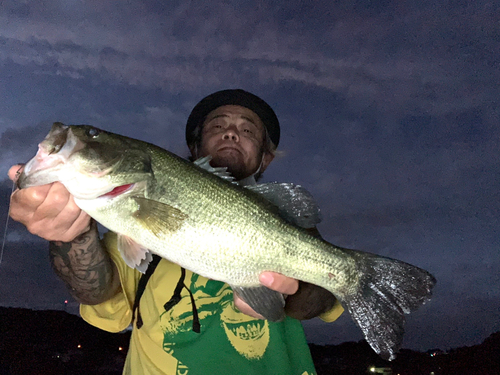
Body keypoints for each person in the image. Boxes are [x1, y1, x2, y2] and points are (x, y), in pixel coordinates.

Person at [9, 89, 344, 374]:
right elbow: (96, 293)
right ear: (194, 148)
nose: (231, 132)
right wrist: (72, 235)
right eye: (218, 125)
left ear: (266, 159)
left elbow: (324, 297)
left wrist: (290, 293)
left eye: (248, 130)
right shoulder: (125, 226)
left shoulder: (291, 224)